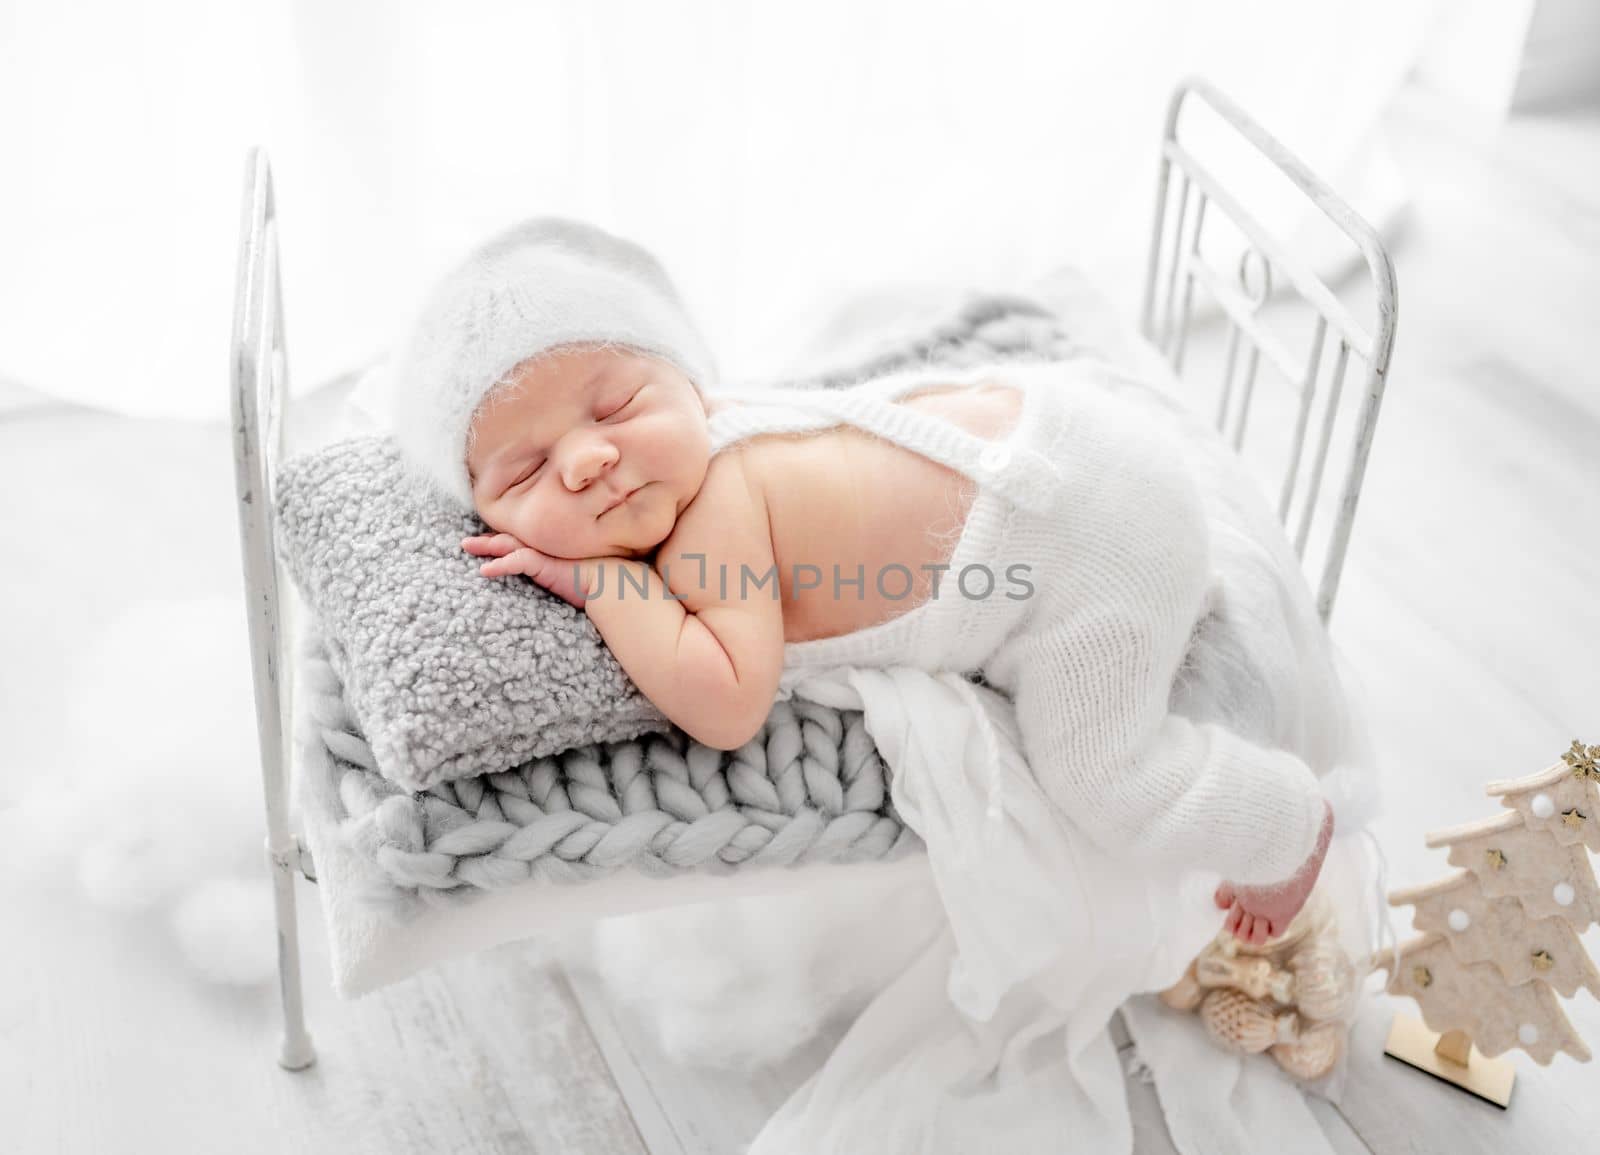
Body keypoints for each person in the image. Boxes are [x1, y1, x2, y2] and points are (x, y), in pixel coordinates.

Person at [388, 216, 1337, 945]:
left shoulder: (713, 518)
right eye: (524, 473)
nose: (591, 458)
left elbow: (725, 703)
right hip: (1072, 433)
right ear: (486, 517)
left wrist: (606, 587)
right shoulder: (723, 429)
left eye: (619, 404)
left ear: (692, 387)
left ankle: (1287, 824)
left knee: (1101, 777)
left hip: (1089, 544)